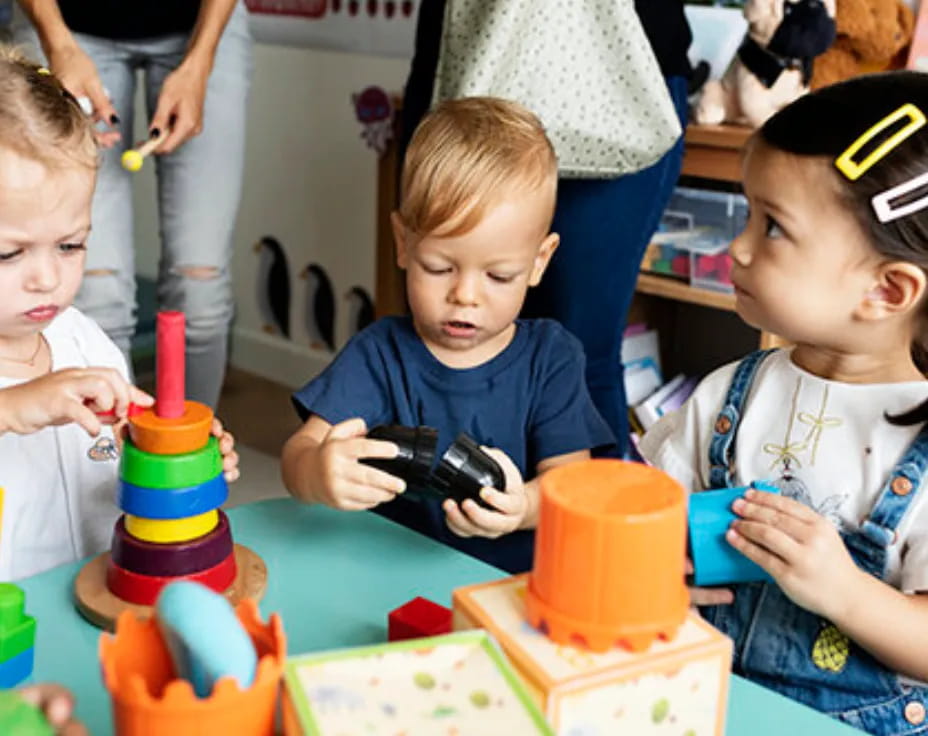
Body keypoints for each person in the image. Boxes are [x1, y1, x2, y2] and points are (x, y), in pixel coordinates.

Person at [640, 72, 928, 733]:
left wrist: (846, 592)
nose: (736, 247)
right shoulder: (730, 395)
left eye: (772, 228)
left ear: (886, 291)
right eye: (747, 214)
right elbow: (652, 521)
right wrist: (658, 574)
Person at [282, 97, 614, 573]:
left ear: (539, 261)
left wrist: (524, 507)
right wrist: (316, 474)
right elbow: (300, 450)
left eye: (499, 276)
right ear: (403, 244)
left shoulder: (552, 358)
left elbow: (573, 483)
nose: (465, 295)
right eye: (438, 268)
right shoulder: (380, 353)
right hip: (387, 577)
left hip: (507, 588)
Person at [401, 0, 692, 458]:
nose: (467, 291)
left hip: (618, 79)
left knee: (581, 349)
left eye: (500, 275)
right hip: (467, 57)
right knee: (444, 340)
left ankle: (583, 526)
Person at [0, 47, 240, 581]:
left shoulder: (86, 343)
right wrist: (14, 406)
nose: (47, 277)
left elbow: (109, 476)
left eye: (70, 246)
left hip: (97, 596)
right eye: (9, 253)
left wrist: (174, 463)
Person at [12, 0, 253, 408]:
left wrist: (201, 60)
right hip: (63, 22)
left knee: (201, 292)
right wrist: (59, 44)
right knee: (98, 295)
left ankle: (195, 458)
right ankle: (108, 457)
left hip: (201, 22)